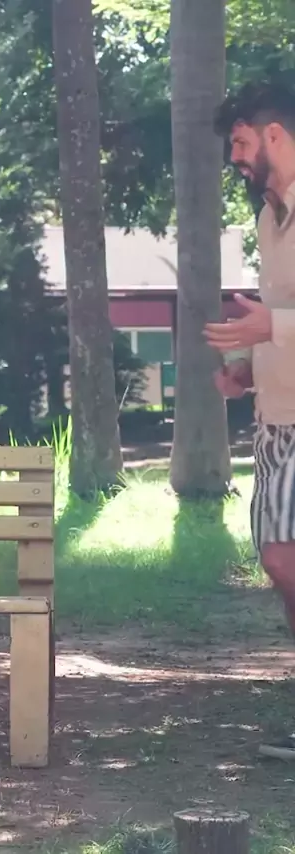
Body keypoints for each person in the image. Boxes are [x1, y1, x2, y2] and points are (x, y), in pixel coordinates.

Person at [205, 81, 295, 760]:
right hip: (274, 424)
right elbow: (276, 319)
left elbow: (280, 320)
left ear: (273, 135)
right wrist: (246, 367)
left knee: (284, 559)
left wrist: (273, 327)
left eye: (239, 142)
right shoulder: (271, 218)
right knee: (279, 563)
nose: (234, 157)